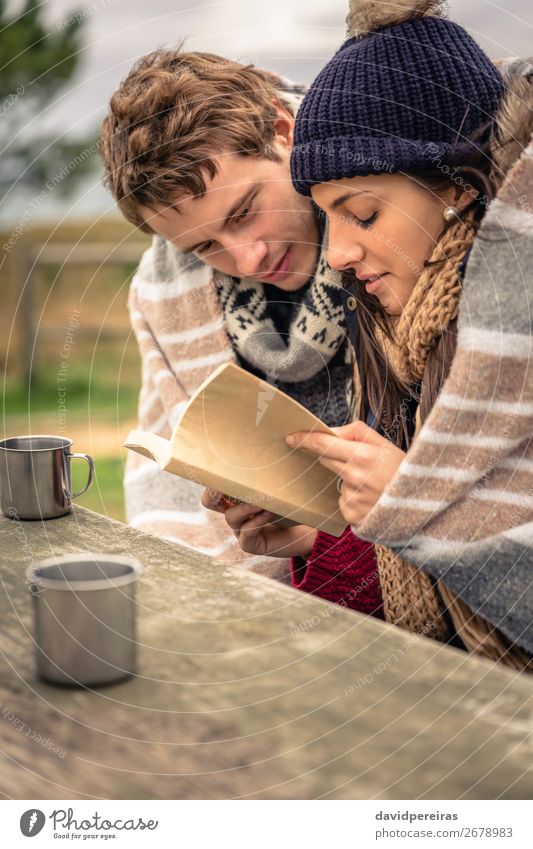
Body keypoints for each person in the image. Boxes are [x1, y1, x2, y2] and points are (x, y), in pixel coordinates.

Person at [206, 0, 533, 668]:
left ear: (457, 185)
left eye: (362, 213)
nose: (339, 255)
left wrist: (414, 505)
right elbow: (435, 599)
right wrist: (318, 540)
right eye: (330, 221)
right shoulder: (402, 336)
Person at [100, 49, 355, 576]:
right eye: (205, 248)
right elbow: (168, 477)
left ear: (283, 133)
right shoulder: (161, 292)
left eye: (243, 212)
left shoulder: (393, 209)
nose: (248, 259)